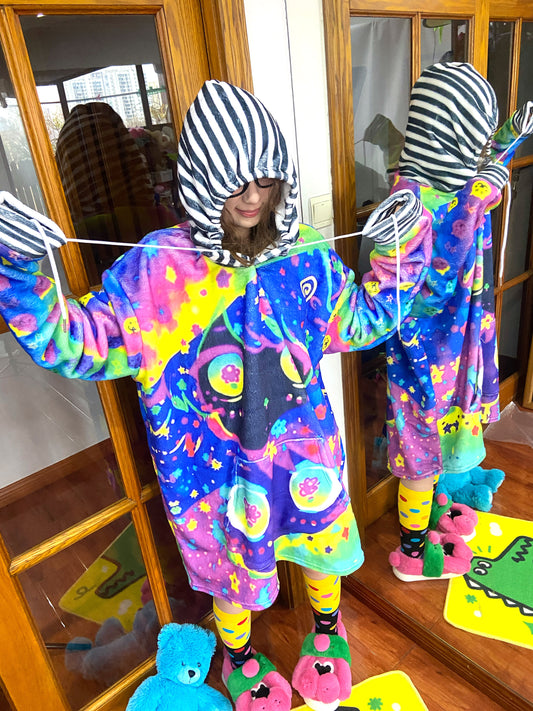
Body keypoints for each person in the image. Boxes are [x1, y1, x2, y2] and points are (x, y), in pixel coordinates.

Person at [0, 80, 432, 711]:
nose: (254, 198)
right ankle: (239, 658)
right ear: (201, 181)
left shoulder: (306, 254)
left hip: (303, 457)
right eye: (234, 184)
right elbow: (75, 343)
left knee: (322, 550)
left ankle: (327, 633)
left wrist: (399, 250)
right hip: (212, 477)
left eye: (266, 180)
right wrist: (19, 270)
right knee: (232, 575)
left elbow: (368, 318)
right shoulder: (154, 271)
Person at [384, 62, 533, 582]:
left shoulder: (448, 180)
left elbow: (472, 172)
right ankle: (411, 554)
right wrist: (473, 201)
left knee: (446, 437)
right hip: (422, 359)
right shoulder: (410, 203)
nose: (478, 160)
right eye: (473, 143)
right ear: (446, 139)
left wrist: (508, 139)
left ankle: (431, 520)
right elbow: (428, 292)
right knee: (419, 457)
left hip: (459, 345)